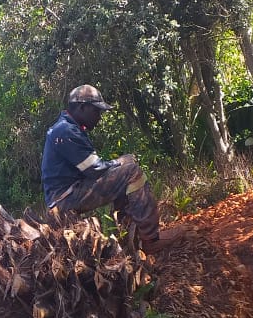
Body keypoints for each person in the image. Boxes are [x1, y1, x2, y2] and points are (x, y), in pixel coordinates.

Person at [41, 84, 183, 252]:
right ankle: (150, 240)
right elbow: (94, 169)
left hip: (67, 195)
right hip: (66, 198)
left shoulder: (66, 127)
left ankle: (131, 240)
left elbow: (93, 168)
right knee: (130, 171)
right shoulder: (66, 131)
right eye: (96, 111)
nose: (99, 117)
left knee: (122, 178)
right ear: (82, 107)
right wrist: (119, 162)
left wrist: (117, 165)